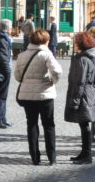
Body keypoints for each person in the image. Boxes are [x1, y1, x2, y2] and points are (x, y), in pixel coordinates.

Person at [15, 29, 63, 165]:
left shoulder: (22, 55)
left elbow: (17, 76)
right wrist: (53, 81)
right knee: (48, 124)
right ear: (45, 41)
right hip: (45, 94)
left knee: (31, 124)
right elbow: (57, 71)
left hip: (27, 95)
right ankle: (51, 156)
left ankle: (35, 157)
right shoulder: (46, 54)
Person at [64, 31, 95, 164]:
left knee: (85, 124)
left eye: (75, 42)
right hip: (88, 93)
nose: (73, 45)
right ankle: (85, 152)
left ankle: (87, 154)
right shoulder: (87, 57)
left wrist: (75, 100)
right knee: (83, 124)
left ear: (80, 44)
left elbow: (79, 82)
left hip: (84, 95)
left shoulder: (82, 60)